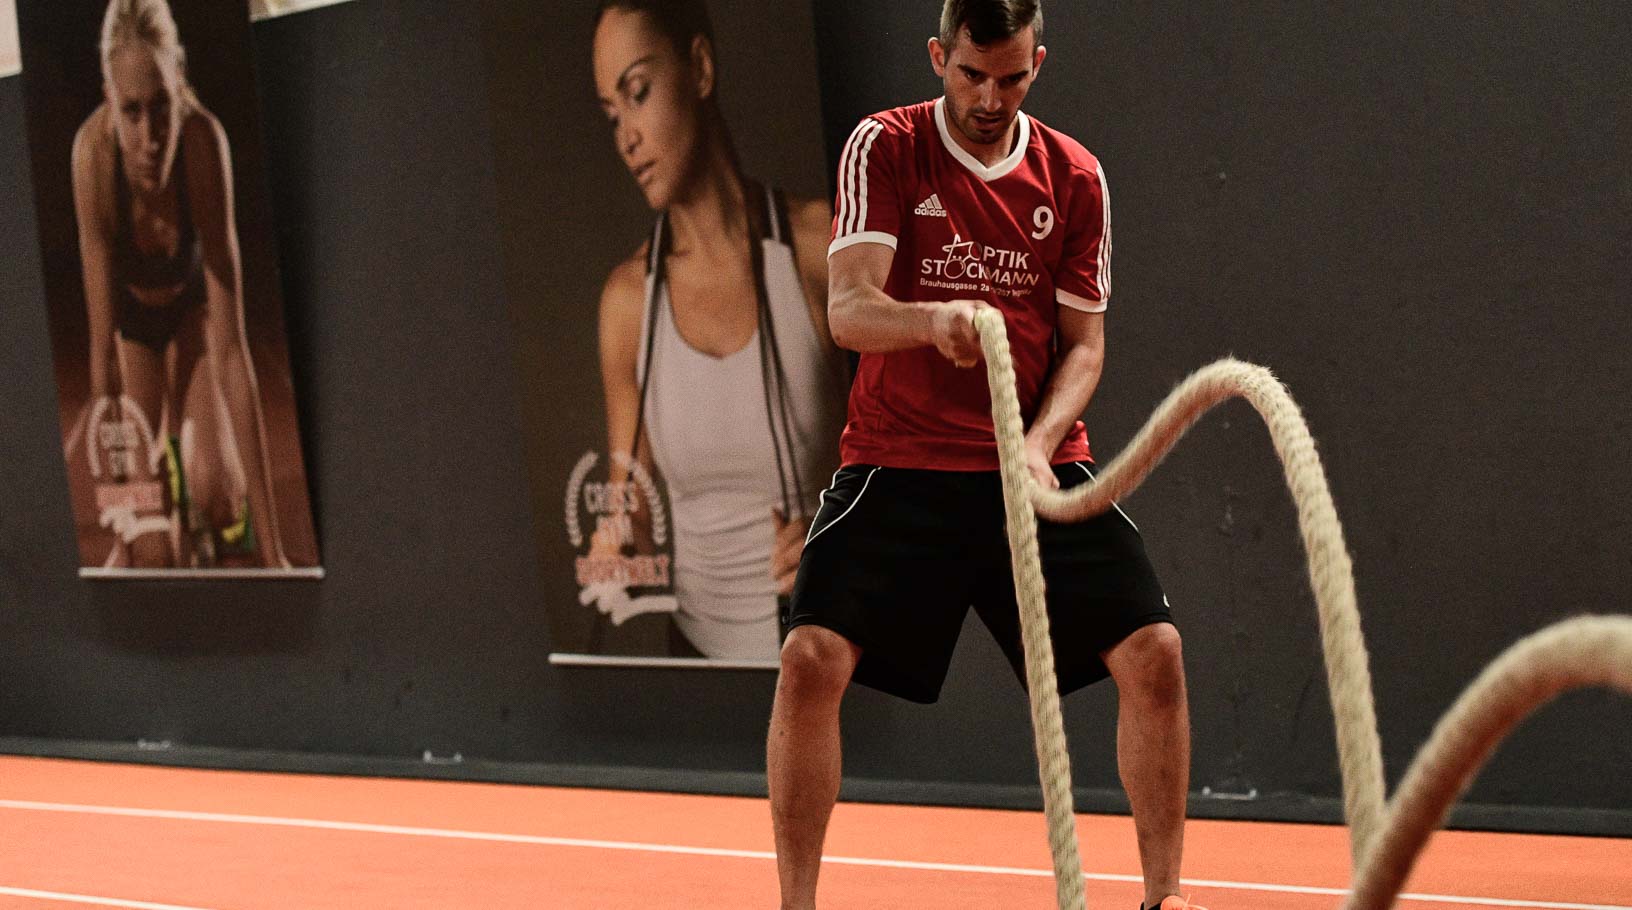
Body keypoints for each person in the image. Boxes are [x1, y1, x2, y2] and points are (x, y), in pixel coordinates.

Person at [767, 2, 1204, 908]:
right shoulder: (884, 148)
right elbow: (849, 308)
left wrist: (1041, 444)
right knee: (810, 661)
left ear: (1037, 62)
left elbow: (1084, 345)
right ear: (939, 57)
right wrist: (932, 321)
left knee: (1155, 653)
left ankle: (1167, 899)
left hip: (1029, 466)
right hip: (900, 460)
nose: (989, 97)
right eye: (972, 75)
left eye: (1011, 77)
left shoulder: (1075, 176)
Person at [589, 0, 848, 660]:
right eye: (611, 113)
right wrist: (613, 550)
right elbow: (631, 510)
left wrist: (850, 540)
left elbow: (926, 466)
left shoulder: (821, 248)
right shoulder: (627, 304)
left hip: (832, 658)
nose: (625, 136)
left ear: (700, 68)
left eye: (639, 93)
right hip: (697, 672)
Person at [70, 0, 289, 569]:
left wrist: (276, 552)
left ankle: (200, 475)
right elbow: (102, 365)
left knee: (218, 500)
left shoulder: (203, 146)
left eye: (163, 106)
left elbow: (234, 351)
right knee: (151, 552)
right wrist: (124, 520)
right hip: (134, 336)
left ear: (180, 83)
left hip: (192, 320)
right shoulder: (92, 160)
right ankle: (165, 476)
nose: (150, 136)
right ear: (109, 101)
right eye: (133, 111)